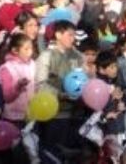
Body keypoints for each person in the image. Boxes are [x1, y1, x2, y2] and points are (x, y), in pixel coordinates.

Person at [35, 20, 86, 160]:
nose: (73, 38)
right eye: (69, 35)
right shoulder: (47, 56)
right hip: (54, 115)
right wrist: (61, 95)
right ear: (58, 35)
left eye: (74, 35)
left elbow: (85, 79)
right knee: (53, 154)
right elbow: (41, 84)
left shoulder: (78, 56)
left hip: (75, 114)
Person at [0, 33, 36, 127]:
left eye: (31, 48)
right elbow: (7, 97)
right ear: (15, 50)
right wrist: (18, 87)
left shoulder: (32, 64)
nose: (30, 52)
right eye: (26, 49)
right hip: (14, 118)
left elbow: (36, 86)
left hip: (31, 115)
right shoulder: (6, 68)